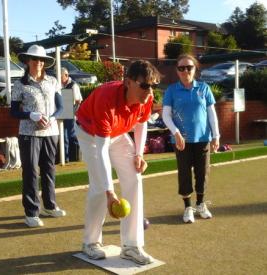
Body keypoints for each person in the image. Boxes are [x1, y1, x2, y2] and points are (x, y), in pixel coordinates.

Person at [75, 60, 161, 265]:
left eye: (153, 86)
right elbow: (102, 149)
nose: (149, 92)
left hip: (118, 133)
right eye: (144, 85)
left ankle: (132, 245)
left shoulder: (147, 98)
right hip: (90, 134)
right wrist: (110, 192)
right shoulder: (107, 99)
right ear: (128, 82)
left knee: (134, 177)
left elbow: (141, 125)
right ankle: (91, 242)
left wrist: (139, 154)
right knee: (98, 186)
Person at [10, 45, 66, 228]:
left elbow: (60, 107)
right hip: (29, 133)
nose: (39, 63)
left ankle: (49, 206)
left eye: (42, 60)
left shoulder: (52, 81)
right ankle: (31, 212)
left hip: (51, 132)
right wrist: (30, 115)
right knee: (31, 172)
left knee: (49, 169)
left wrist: (52, 117)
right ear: (27, 61)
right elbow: (13, 112)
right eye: (35, 59)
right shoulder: (20, 85)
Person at [162, 54, 220, 224]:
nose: (185, 71)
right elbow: (166, 115)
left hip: (202, 139)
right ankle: (188, 207)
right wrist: (176, 133)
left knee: (202, 174)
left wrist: (216, 135)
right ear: (177, 71)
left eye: (189, 67)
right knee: (184, 174)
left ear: (195, 69)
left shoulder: (204, 88)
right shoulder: (171, 90)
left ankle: (201, 204)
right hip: (181, 141)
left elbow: (211, 114)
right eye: (181, 68)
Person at [61, 67, 82, 163]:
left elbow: (78, 101)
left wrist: (74, 114)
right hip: (63, 114)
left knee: (72, 137)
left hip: (71, 115)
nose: (59, 79)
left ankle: (76, 157)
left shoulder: (74, 85)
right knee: (64, 137)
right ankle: (66, 159)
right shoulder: (60, 85)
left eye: (61, 77)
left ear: (66, 75)